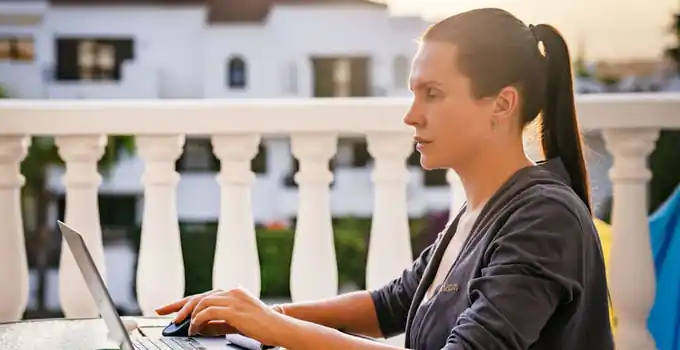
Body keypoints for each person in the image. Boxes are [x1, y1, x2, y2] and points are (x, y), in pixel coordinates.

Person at [156, 8, 614, 350]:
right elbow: (389, 306)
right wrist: (249, 315)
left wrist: (277, 329)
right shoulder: (480, 213)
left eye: (432, 95)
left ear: (501, 103)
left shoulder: (544, 218)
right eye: (414, 93)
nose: (411, 115)